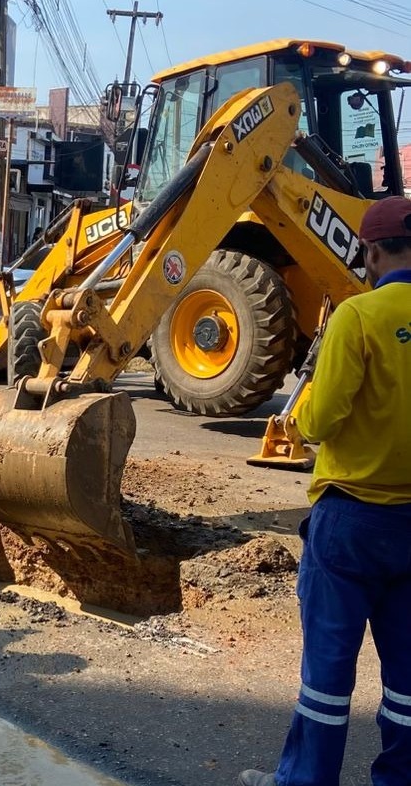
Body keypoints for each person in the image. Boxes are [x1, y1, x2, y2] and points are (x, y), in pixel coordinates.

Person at [239, 196, 411, 786]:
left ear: (370, 250)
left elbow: (318, 421)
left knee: (327, 680)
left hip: (351, 522)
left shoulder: (358, 318)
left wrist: (304, 416)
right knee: (409, 683)